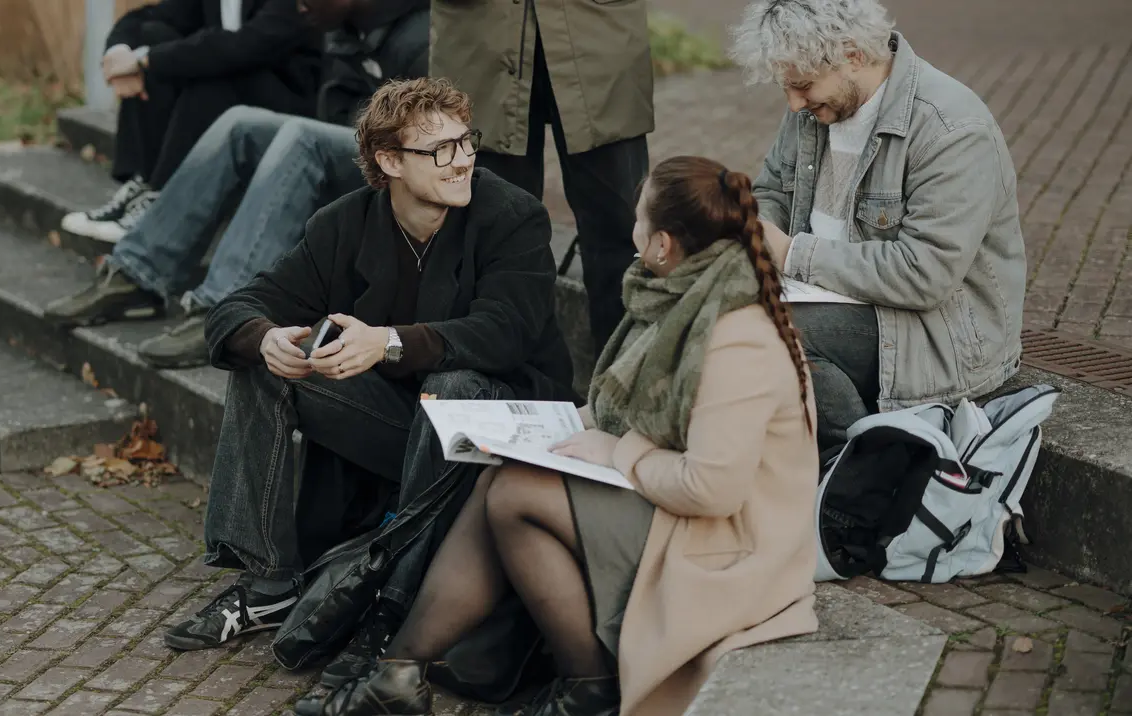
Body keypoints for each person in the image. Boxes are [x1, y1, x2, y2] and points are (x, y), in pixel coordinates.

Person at [293, 156, 820, 716]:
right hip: (679, 504)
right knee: (503, 481)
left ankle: (574, 683)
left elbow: (711, 489)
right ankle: (403, 673)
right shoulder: (679, 297)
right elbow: (627, 411)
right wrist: (539, 428)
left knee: (518, 496)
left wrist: (619, 451)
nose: (631, 230)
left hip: (728, 540)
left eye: (639, 219)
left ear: (663, 243)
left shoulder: (738, 340)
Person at [161, 79, 578, 677]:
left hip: (505, 430)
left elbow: (503, 331)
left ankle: (392, 610)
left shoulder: (512, 216)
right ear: (389, 162)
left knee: (453, 385)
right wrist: (266, 338)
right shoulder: (345, 224)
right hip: (405, 430)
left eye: (466, 141)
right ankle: (268, 582)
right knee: (267, 367)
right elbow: (237, 307)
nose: (462, 160)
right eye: (439, 150)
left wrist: (386, 342)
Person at [45, 0, 429, 369]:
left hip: (398, 166)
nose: (298, 5)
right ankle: (138, 272)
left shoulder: (419, 35)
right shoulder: (345, 30)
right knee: (240, 122)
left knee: (301, 137)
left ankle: (226, 310)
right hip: (352, 144)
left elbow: (431, 143)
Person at [731, 0, 1026, 450]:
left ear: (853, 56)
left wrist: (791, 253)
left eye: (803, 86)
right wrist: (753, 239)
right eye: (786, 87)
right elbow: (770, 192)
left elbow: (925, 273)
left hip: (935, 332)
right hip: (828, 296)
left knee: (773, 335)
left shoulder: (951, 128)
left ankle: (864, 484)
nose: (793, 104)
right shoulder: (813, 110)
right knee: (710, 306)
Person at [429, 0, 653, 356]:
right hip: (479, 38)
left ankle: (627, 387)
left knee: (625, 231)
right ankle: (502, 384)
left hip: (600, 33)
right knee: (489, 233)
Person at [61, 0, 323, 243]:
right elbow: (149, 17)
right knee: (155, 34)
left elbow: (246, 46)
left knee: (204, 73)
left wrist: (145, 60)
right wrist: (120, 53)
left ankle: (164, 200)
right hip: (234, 80)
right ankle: (146, 183)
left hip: (290, 97)